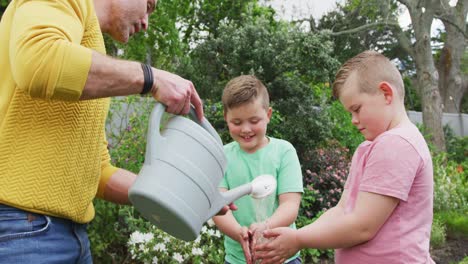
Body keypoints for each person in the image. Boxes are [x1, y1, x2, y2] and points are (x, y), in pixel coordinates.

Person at [0, 0, 234, 262]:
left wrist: (180, 193)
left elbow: (96, 170)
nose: (146, 21)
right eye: (148, 5)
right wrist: (150, 78)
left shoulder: (93, 59)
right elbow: (39, 59)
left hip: (69, 238)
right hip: (22, 229)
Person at [255, 50, 435, 264]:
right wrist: (297, 235)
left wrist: (298, 239)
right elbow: (342, 210)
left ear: (386, 93)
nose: (353, 120)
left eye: (357, 109)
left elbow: (362, 227)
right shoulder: (370, 146)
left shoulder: (397, 144)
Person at [212, 75, 304, 264]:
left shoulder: (284, 151)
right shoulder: (220, 156)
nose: (246, 129)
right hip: (238, 259)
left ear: (268, 115)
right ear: (226, 117)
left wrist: (266, 227)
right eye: (237, 122)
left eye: (254, 121)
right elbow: (217, 206)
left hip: (282, 257)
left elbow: (290, 205)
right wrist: (239, 233)